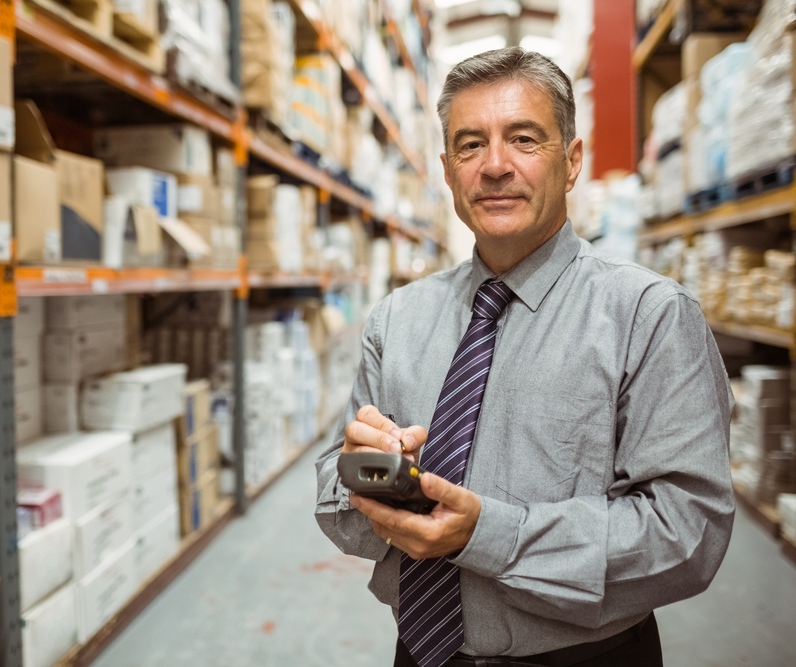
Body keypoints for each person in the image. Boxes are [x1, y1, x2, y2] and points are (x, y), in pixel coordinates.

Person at [314, 47, 734, 667]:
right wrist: (361, 477)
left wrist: (489, 535)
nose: (495, 166)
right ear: (448, 169)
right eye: (469, 145)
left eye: (524, 139)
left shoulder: (648, 316)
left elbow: (687, 533)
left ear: (571, 162)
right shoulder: (398, 320)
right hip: (422, 653)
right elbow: (332, 486)